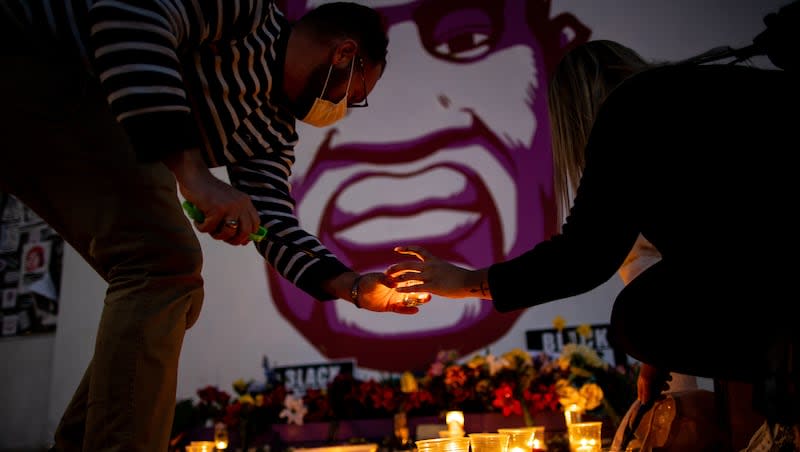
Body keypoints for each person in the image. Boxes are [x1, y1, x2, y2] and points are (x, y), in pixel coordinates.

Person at [0, 1, 426, 451]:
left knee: (176, 288)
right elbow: (128, 13)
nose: (343, 107)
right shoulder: (249, 16)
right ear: (342, 54)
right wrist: (193, 173)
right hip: (39, 59)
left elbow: (275, 225)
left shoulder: (272, 129)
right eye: (354, 94)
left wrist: (354, 286)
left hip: (90, 118)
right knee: (163, 265)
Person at [386, 38, 799, 448]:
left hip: (774, 284)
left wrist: (466, 281)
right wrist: (660, 358)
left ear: (576, 116)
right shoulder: (704, 95)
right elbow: (712, 244)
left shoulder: (630, 113)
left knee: (638, 316)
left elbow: (584, 255)